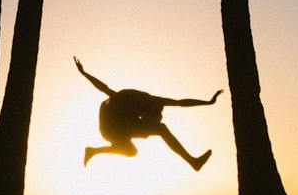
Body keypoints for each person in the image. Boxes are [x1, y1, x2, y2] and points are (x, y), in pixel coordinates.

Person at [74, 57, 221, 171]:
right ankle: (193, 162)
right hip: (109, 127)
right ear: (147, 112)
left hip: (123, 127)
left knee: (131, 151)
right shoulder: (128, 98)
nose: (148, 130)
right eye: (149, 119)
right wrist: (83, 72)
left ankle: (93, 151)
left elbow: (181, 102)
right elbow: (103, 88)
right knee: (161, 129)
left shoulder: (157, 101)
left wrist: (208, 102)